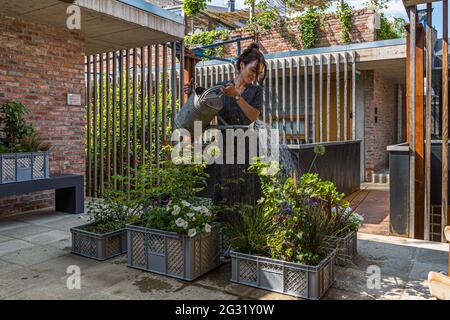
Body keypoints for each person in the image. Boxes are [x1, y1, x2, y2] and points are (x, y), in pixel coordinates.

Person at [183, 43, 267, 126]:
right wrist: (192, 92)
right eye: (253, 70)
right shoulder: (221, 87)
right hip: (224, 138)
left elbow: (254, 117)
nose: (255, 76)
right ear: (242, 65)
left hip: (248, 138)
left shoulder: (256, 90)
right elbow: (204, 106)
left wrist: (237, 96)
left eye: (258, 73)